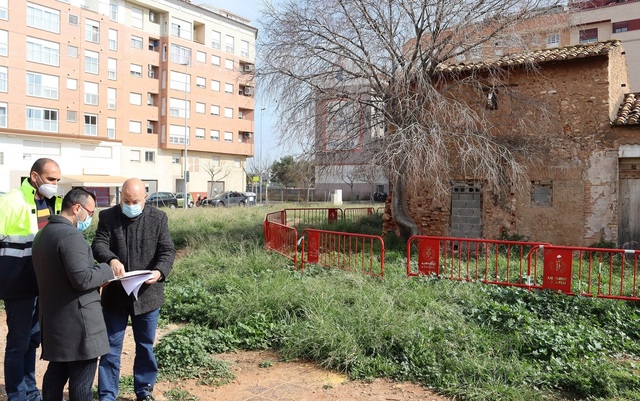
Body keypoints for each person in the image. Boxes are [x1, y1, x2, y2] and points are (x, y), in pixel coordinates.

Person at [32, 187, 121, 401]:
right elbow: (83, 279)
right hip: (79, 325)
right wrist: (107, 269)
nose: (90, 218)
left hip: (55, 321)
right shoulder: (71, 237)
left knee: (56, 374)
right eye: (90, 213)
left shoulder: (43, 233)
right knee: (81, 383)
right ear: (77, 208)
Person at [92, 178, 175, 401]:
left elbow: (167, 251)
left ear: (145, 198)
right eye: (126, 200)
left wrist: (159, 272)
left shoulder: (158, 218)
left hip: (147, 296)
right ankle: (107, 394)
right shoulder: (108, 217)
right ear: (120, 198)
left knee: (145, 346)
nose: (130, 204)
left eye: (135, 200)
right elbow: (98, 244)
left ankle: (144, 390)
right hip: (115, 296)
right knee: (110, 347)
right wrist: (111, 259)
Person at [0, 158, 62, 401]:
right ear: (34, 177)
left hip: (41, 284)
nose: (55, 184)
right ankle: (17, 394)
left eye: (57, 180)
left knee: (33, 340)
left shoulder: (50, 201)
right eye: (50, 179)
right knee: (18, 342)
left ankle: (30, 390)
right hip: (18, 284)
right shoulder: (12, 201)